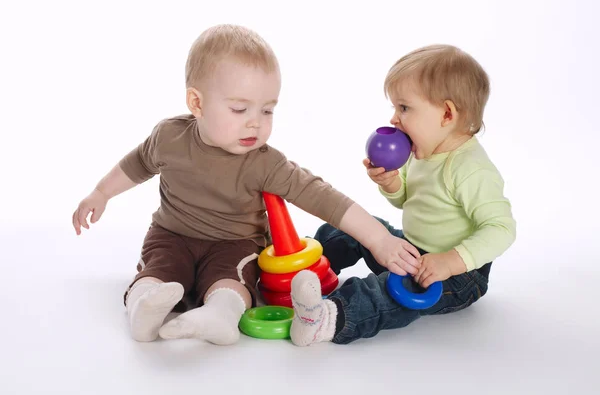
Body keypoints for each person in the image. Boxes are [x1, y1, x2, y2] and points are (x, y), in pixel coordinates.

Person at [71, 24, 422, 344]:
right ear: (197, 102)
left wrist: (378, 239)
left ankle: (220, 315)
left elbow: (323, 197)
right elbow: (136, 165)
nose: (255, 124)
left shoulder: (265, 163)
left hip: (234, 243)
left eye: (267, 110)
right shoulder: (169, 137)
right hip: (171, 234)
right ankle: (143, 309)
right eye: (240, 110)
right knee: (159, 270)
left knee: (233, 279)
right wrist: (101, 193)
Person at [289, 44, 517, 346]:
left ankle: (328, 318)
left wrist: (448, 262)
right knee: (360, 228)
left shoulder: (471, 169)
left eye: (404, 108)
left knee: (385, 293)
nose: (394, 119)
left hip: (455, 276)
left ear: (447, 114)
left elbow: (502, 229)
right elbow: (406, 200)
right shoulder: (422, 151)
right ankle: (304, 271)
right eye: (395, 108)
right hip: (412, 250)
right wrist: (391, 182)